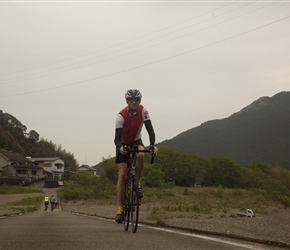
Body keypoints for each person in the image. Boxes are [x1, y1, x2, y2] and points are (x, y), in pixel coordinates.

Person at [114, 89, 157, 223]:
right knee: (122, 175)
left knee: (141, 156)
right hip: (123, 143)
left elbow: (150, 130)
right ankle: (120, 210)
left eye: (136, 100)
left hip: (136, 141)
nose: (134, 103)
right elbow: (116, 139)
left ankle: (137, 183)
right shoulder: (121, 116)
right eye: (131, 100)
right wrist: (121, 147)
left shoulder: (143, 111)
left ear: (140, 101)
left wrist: (152, 146)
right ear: (127, 101)